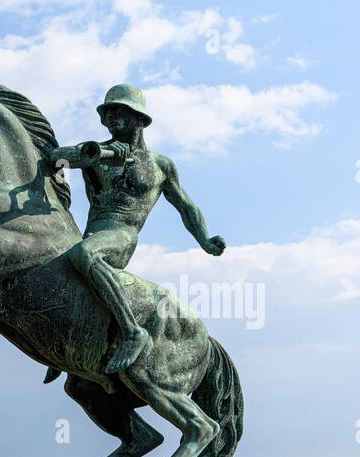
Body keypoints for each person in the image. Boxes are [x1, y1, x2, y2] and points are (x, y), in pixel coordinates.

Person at [46, 84, 226, 378]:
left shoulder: (160, 165)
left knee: (83, 255)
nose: (113, 118)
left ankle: (132, 332)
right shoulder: (99, 153)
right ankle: (59, 347)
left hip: (122, 234)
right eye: (109, 113)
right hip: (91, 233)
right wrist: (92, 154)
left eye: (121, 112)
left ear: (140, 120)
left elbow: (185, 205)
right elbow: (56, 158)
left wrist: (204, 240)